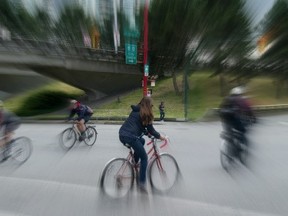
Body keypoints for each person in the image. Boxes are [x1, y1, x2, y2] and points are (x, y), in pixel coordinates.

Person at [119, 97, 166, 192]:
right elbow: (151, 130)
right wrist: (161, 137)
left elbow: (139, 126)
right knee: (144, 158)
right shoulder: (146, 114)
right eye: (151, 105)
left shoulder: (136, 111)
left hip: (122, 134)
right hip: (131, 137)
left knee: (142, 141)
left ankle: (135, 163)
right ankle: (142, 183)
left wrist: (147, 133)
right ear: (149, 106)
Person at [219, 86, 256, 152]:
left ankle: (230, 148)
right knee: (242, 130)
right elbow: (248, 109)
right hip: (234, 118)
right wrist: (253, 118)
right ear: (240, 93)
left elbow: (220, 108)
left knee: (229, 134)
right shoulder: (241, 99)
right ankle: (240, 146)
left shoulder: (227, 98)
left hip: (225, 119)